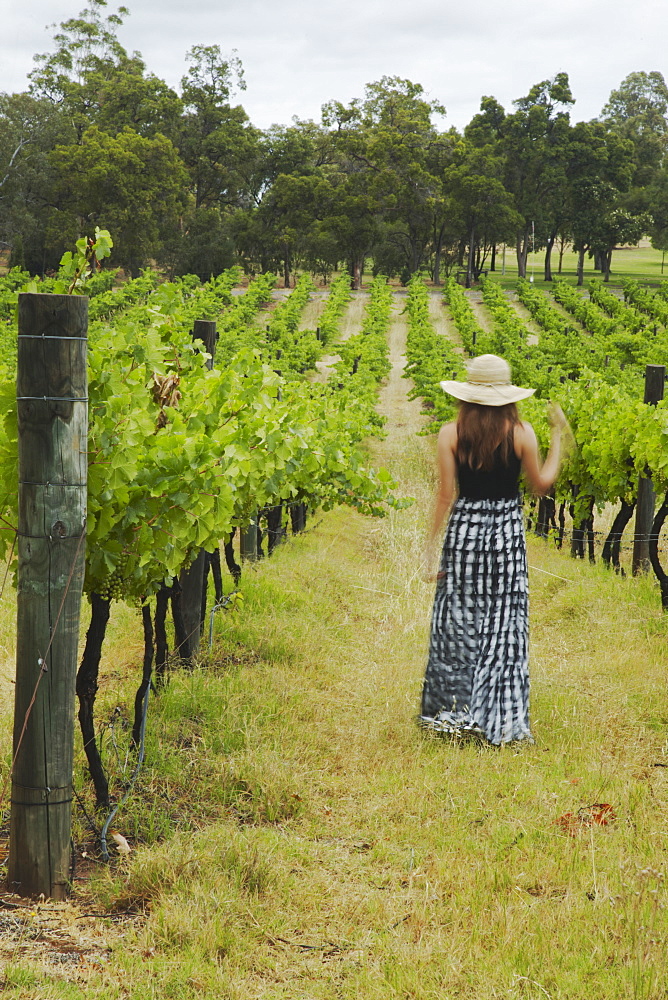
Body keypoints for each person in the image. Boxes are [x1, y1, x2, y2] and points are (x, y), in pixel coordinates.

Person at [420, 354, 567, 745]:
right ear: (508, 396)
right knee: (504, 624)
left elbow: (444, 496)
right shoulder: (522, 432)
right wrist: (557, 442)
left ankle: (453, 716)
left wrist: (430, 549)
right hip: (505, 533)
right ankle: (500, 718)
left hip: (465, 532)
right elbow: (541, 483)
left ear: (467, 395)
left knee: (458, 623)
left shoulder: (450, 432)